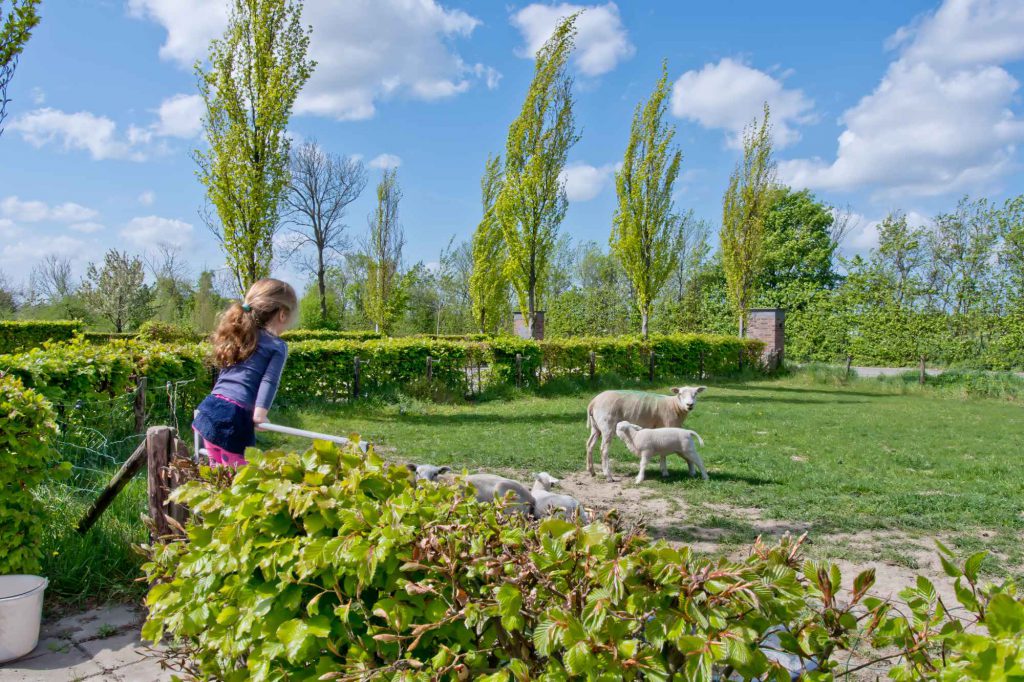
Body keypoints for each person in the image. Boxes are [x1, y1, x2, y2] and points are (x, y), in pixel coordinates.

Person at [192, 278, 297, 466]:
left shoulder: (241, 335)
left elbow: (225, 372)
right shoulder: (277, 346)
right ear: (282, 315)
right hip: (233, 418)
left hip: (209, 408)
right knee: (241, 481)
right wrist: (259, 415)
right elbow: (269, 380)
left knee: (217, 476)